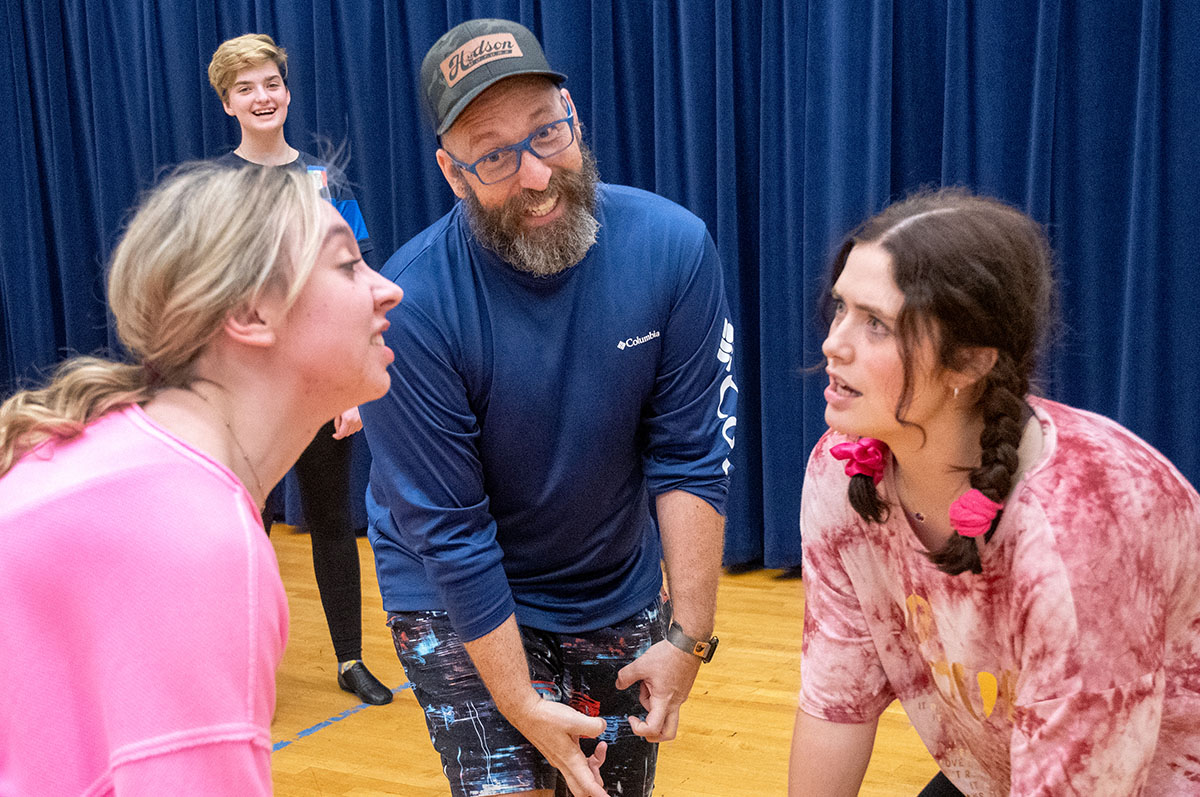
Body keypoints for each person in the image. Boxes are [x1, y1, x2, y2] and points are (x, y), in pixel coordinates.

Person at [359, 18, 737, 797]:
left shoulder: (674, 248)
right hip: (448, 587)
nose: (534, 175)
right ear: (452, 172)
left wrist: (687, 637)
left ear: (576, 116)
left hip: (608, 575)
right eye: (493, 154)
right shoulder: (411, 305)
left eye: (547, 133)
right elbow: (452, 532)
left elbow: (691, 452)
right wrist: (520, 699)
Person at [0, 163, 402, 792]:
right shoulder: (192, 538)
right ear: (250, 313)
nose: (388, 289)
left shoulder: (147, 478)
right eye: (348, 265)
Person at [788, 187, 1200, 796]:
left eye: (876, 324)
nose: (834, 343)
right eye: (841, 309)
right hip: (999, 767)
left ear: (970, 363)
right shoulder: (841, 471)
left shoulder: (1083, 531)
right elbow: (836, 700)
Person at [207, 33, 392, 705]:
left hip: (316, 384)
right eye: (246, 88)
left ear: (287, 90)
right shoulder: (214, 189)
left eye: (271, 83)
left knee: (332, 520)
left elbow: (357, 277)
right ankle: (245, 669)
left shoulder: (323, 179)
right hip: (247, 392)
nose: (262, 96)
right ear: (227, 103)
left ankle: (349, 659)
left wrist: (351, 386)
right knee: (242, 529)